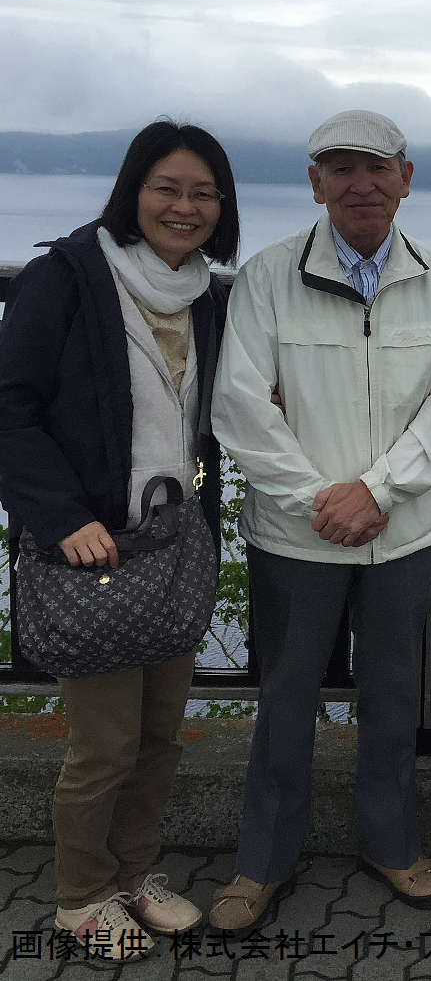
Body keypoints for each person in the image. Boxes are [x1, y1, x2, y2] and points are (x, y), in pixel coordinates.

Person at [208, 110, 431, 933]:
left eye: (378, 167)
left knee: (393, 695)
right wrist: (321, 502)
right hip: (299, 535)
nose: (360, 183)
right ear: (316, 183)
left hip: (404, 533)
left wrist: (379, 492)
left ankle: (392, 842)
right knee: (286, 696)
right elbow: (240, 406)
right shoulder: (265, 278)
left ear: (406, 177)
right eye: (341, 168)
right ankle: (263, 861)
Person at [0, 120, 237, 952]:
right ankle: (80, 895)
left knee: (160, 735)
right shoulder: (65, 277)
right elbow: (9, 406)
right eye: (167, 188)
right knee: (102, 744)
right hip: (91, 549)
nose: (185, 206)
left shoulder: (208, 294)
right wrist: (63, 517)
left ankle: (135, 874)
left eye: (203, 192)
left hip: (170, 547)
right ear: (133, 192)